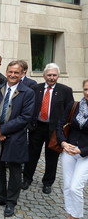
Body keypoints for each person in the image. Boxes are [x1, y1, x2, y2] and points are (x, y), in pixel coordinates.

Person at [0, 60, 35, 217]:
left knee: (14, 171)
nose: (13, 75)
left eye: (16, 72)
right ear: (6, 72)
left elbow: (25, 117)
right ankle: (0, 196)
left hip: (15, 138)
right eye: (10, 72)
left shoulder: (28, 92)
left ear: (22, 74)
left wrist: (3, 130)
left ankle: (11, 202)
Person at [22, 63, 74, 194]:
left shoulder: (66, 90)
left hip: (55, 130)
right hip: (37, 127)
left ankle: (48, 182)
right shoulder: (35, 88)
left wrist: (64, 130)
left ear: (58, 76)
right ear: (44, 75)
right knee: (32, 154)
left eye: (54, 75)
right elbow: (29, 107)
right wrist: (29, 124)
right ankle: (27, 179)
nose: (52, 78)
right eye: (49, 75)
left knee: (52, 157)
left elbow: (70, 112)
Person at [57, 79, 88, 219]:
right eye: (86, 89)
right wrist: (63, 143)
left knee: (76, 188)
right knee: (68, 186)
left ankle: (76, 216)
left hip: (85, 154)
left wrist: (81, 151)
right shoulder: (74, 105)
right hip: (68, 151)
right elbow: (60, 124)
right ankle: (70, 215)